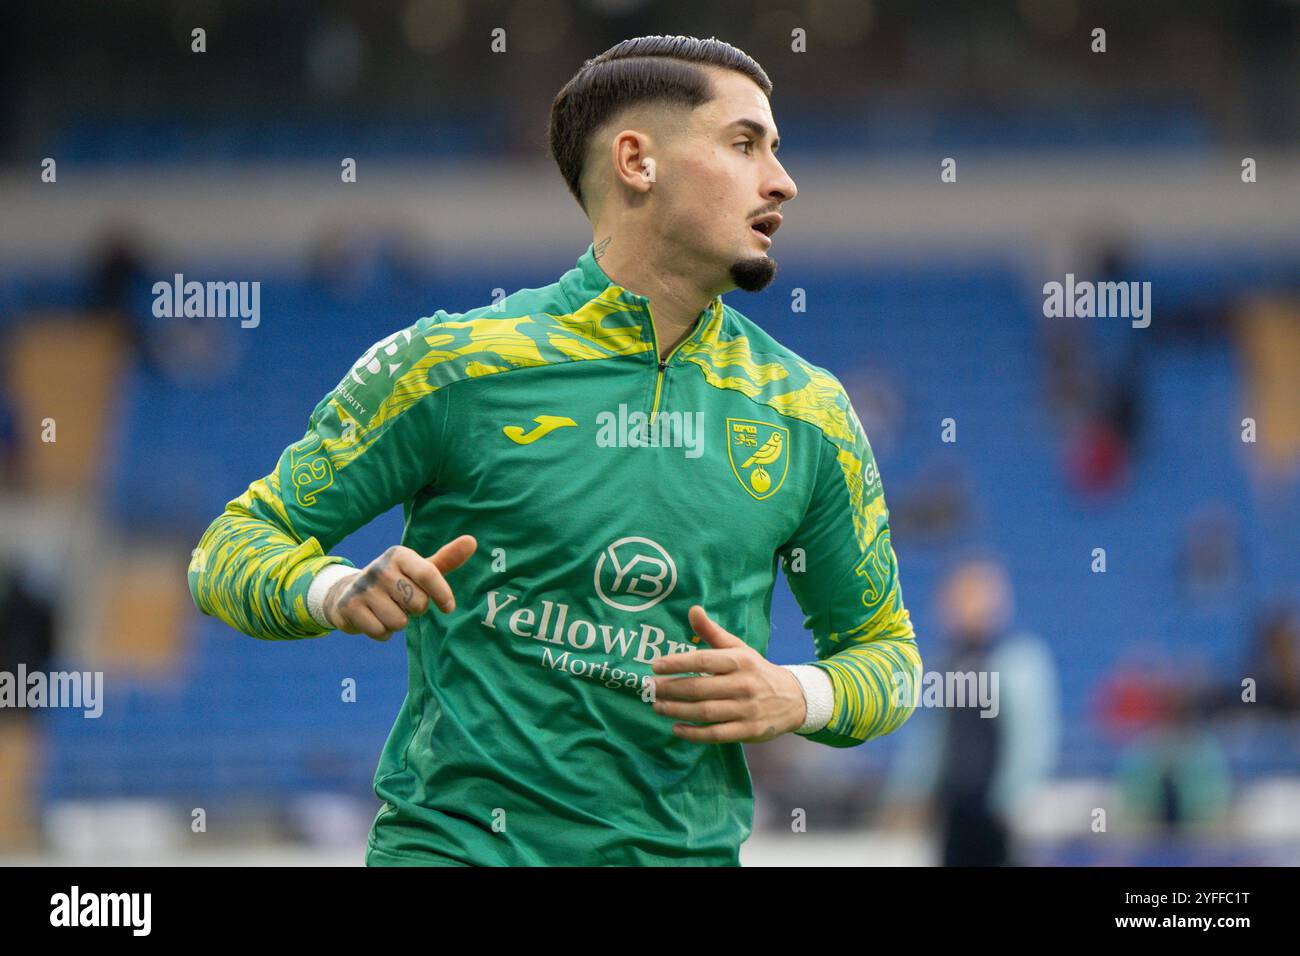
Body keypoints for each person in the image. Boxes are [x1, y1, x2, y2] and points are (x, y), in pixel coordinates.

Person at [188, 35, 921, 866]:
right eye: (745, 144)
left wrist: (798, 692)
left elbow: (888, 658)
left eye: (775, 151)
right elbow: (227, 551)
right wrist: (332, 588)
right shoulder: (450, 370)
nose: (783, 181)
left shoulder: (809, 414)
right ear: (637, 162)